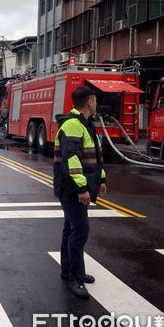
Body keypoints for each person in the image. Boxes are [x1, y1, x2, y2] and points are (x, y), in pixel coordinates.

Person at [53, 86, 107, 299]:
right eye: (95, 100)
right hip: (71, 189)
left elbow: (93, 157)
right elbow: (72, 160)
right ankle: (75, 278)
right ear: (90, 103)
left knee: (71, 229)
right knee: (80, 231)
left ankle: (70, 271)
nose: (96, 104)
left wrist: (101, 179)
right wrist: (82, 188)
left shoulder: (84, 124)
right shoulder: (74, 125)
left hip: (72, 187)